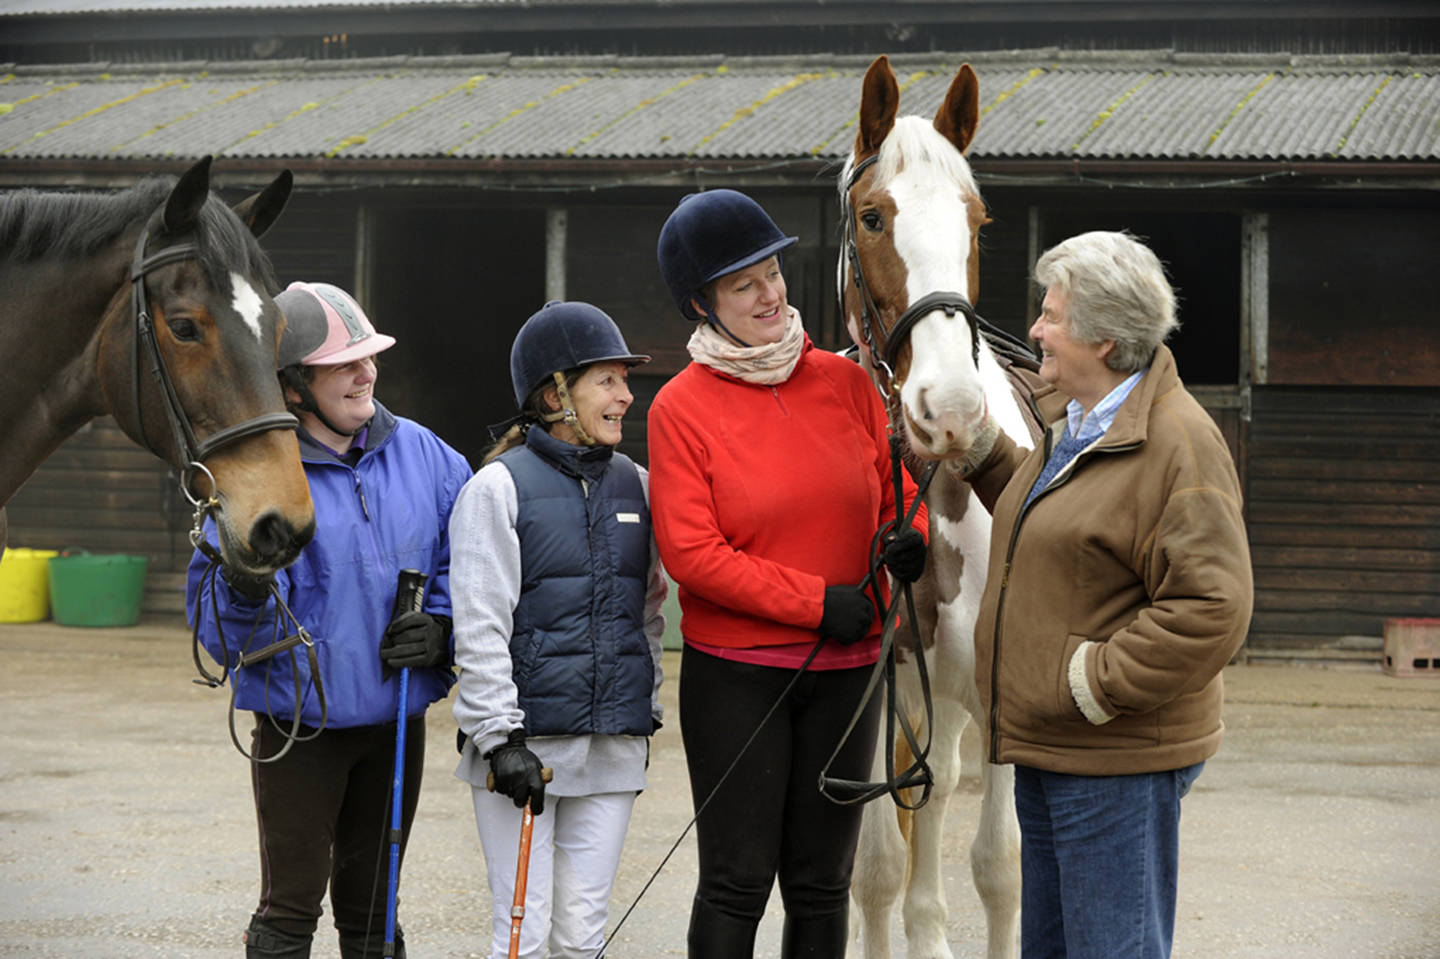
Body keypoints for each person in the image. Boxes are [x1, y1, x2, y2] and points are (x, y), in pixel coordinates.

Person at [648, 189, 930, 958]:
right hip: (738, 677)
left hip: (848, 670)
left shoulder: (846, 385)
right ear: (703, 304)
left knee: (821, 883)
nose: (769, 293)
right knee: (737, 881)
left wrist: (909, 539)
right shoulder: (680, 407)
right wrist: (815, 603)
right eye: (743, 284)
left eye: (771, 273)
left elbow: (897, 490)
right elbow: (693, 555)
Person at [956, 231, 1254, 959]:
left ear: (1107, 340)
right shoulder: (1082, 424)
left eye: (1052, 317)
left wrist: (1093, 681)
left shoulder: (1179, 442)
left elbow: (1213, 606)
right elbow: (1061, 528)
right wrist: (979, 452)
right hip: (1054, 747)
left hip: (1113, 757)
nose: (1035, 330)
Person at [187, 280, 472, 959]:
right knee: (290, 908)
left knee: (375, 910)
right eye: (344, 363)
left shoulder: (432, 459)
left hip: (396, 718)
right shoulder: (254, 475)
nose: (366, 371)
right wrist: (244, 584)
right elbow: (215, 631)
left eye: (369, 356)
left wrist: (443, 631)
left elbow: (469, 568)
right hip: (299, 729)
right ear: (292, 385)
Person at [449, 300, 667, 959]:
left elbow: (650, 613)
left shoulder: (641, 486)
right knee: (524, 935)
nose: (626, 395)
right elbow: (479, 624)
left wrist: (644, 700)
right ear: (555, 395)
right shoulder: (496, 489)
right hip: (524, 752)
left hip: (612, 747)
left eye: (624, 380)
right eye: (607, 379)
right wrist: (499, 739)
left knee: (582, 936)